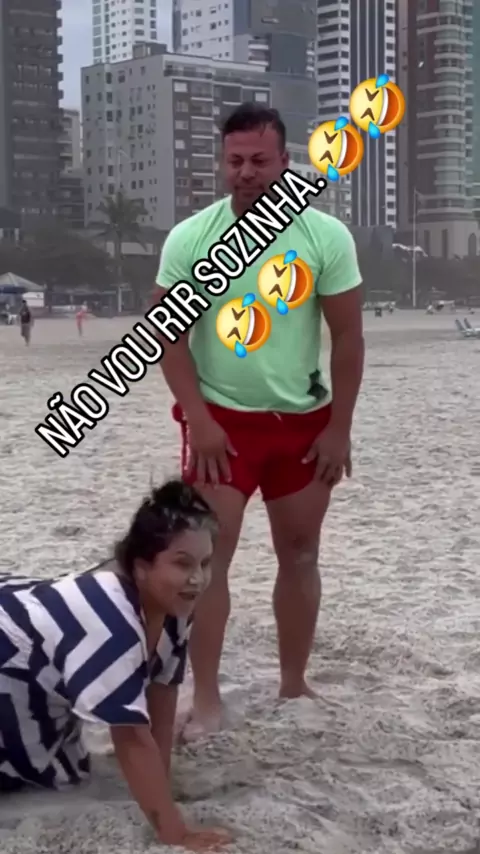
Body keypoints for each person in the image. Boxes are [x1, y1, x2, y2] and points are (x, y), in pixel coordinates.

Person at [155, 103, 365, 741]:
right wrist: (199, 419)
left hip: (303, 423)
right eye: (235, 161)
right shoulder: (192, 238)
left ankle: (293, 682)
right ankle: (207, 698)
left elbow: (348, 337)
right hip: (221, 425)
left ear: (285, 162)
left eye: (259, 161)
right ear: (223, 162)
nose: (246, 172)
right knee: (206, 561)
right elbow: (168, 337)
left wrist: (339, 428)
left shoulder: (325, 236)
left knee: (301, 553)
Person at [0, 480, 231, 852]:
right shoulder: (109, 623)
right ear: (141, 567)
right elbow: (131, 739)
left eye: (205, 564)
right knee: (38, 770)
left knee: (62, 770)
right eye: (182, 563)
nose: (198, 579)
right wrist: (175, 833)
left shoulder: (173, 601)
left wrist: (161, 787)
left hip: (26, 664)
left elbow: (162, 693)